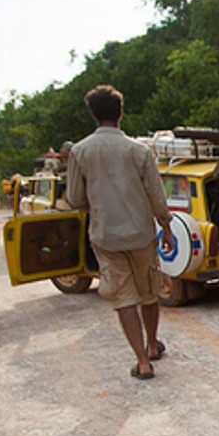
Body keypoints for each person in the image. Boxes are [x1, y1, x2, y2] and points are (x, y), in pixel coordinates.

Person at [65, 85, 173, 380]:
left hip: (106, 235)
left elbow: (75, 198)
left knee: (124, 298)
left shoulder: (80, 151)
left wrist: (97, 203)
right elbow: (156, 196)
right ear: (120, 113)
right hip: (141, 233)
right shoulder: (139, 150)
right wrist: (166, 227)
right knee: (148, 291)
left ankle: (142, 362)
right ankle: (153, 344)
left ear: (93, 114)